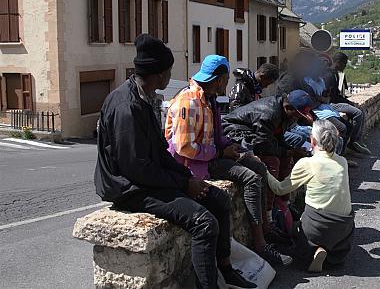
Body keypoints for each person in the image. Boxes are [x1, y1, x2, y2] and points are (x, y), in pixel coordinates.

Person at [94, 34, 255, 288]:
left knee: (219, 199)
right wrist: (182, 184)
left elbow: (160, 152)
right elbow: (136, 168)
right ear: (160, 74)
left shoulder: (143, 98)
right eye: (169, 70)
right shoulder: (127, 106)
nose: (171, 75)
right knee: (203, 222)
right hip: (128, 187)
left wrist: (187, 178)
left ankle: (226, 268)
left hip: (146, 177)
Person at [164, 55, 292, 266]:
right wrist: (220, 153)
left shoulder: (209, 98)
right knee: (250, 179)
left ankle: (267, 228)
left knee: (258, 165)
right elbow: (184, 148)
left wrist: (237, 148)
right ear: (219, 79)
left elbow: (216, 135)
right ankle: (260, 242)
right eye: (225, 79)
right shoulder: (189, 102)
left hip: (210, 156)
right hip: (195, 165)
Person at [266, 120, 354, 272]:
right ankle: (329, 251)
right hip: (343, 229)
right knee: (336, 241)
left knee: (295, 231)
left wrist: (263, 170)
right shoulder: (343, 162)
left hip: (316, 226)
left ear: (312, 140)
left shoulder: (308, 163)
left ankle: (314, 249)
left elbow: (280, 189)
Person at [222, 90, 314, 226]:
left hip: (255, 136)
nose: (296, 119)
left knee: (285, 159)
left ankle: (283, 204)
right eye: (297, 115)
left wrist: (290, 152)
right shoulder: (269, 114)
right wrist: (289, 152)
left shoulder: (285, 112)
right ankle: (268, 214)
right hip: (234, 133)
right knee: (272, 161)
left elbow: (276, 138)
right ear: (288, 108)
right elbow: (262, 146)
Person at [324, 52, 371, 155]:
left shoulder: (336, 74)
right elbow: (333, 97)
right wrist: (349, 103)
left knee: (360, 110)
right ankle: (353, 141)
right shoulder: (329, 75)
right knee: (357, 112)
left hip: (336, 101)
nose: (345, 67)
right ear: (338, 62)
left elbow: (339, 94)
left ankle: (357, 139)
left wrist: (349, 102)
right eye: (344, 64)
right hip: (331, 104)